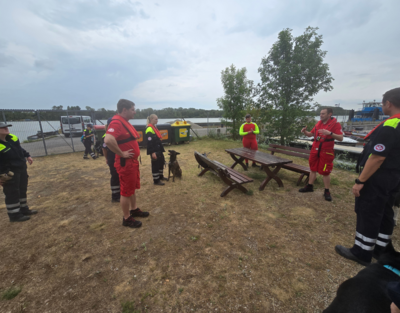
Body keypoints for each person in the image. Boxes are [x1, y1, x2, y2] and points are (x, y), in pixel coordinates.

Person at [335, 87, 400, 266]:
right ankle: (381, 249)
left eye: (382, 103)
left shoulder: (390, 126)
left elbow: (378, 157)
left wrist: (360, 181)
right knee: (385, 211)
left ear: (388, 103)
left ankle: (361, 251)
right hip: (394, 177)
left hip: (378, 176)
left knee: (369, 212)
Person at [104, 99, 149, 228]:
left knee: (131, 188)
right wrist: (121, 153)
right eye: (133, 109)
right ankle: (126, 218)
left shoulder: (125, 122)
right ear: (125, 110)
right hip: (126, 163)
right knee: (125, 191)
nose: (135, 112)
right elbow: (108, 140)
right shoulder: (117, 122)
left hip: (132, 162)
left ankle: (134, 209)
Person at [299, 108, 343, 201]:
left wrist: (330, 133)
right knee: (313, 168)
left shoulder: (336, 124)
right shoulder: (318, 124)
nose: (321, 115)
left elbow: (341, 138)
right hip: (315, 149)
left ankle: (327, 191)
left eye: (323, 114)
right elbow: (311, 134)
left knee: (325, 171)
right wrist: (304, 132)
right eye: (320, 113)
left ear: (329, 114)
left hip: (326, 150)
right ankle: (310, 186)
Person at [0, 122, 37, 222]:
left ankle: (24, 209)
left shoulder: (12, 138)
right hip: (8, 172)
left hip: (21, 168)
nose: (6, 129)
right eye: (3, 128)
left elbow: (20, 149)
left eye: (6, 127)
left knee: (22, 189)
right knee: (12, 192)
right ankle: (14, 215)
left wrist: (27, 155)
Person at [102, 118, 120, 203]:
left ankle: (120, 193)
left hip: (118, 157)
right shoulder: (106, 136)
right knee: (115, 176)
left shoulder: (116, 135)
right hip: (112, 158)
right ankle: (115, 196)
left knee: (119, 175)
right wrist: (106, 159)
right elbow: (104, 149)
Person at [146, 114, 167, 186]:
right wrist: (152, 152)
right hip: (154, 150)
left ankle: (161, 176)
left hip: (159, 149)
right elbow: (149, 142)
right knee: (155, 165)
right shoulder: (149, 129)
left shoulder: (154, 127)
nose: (157, 121)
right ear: (151, 119)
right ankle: (156, 180)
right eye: (156, 119)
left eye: (157, 119)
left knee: (161, 163)